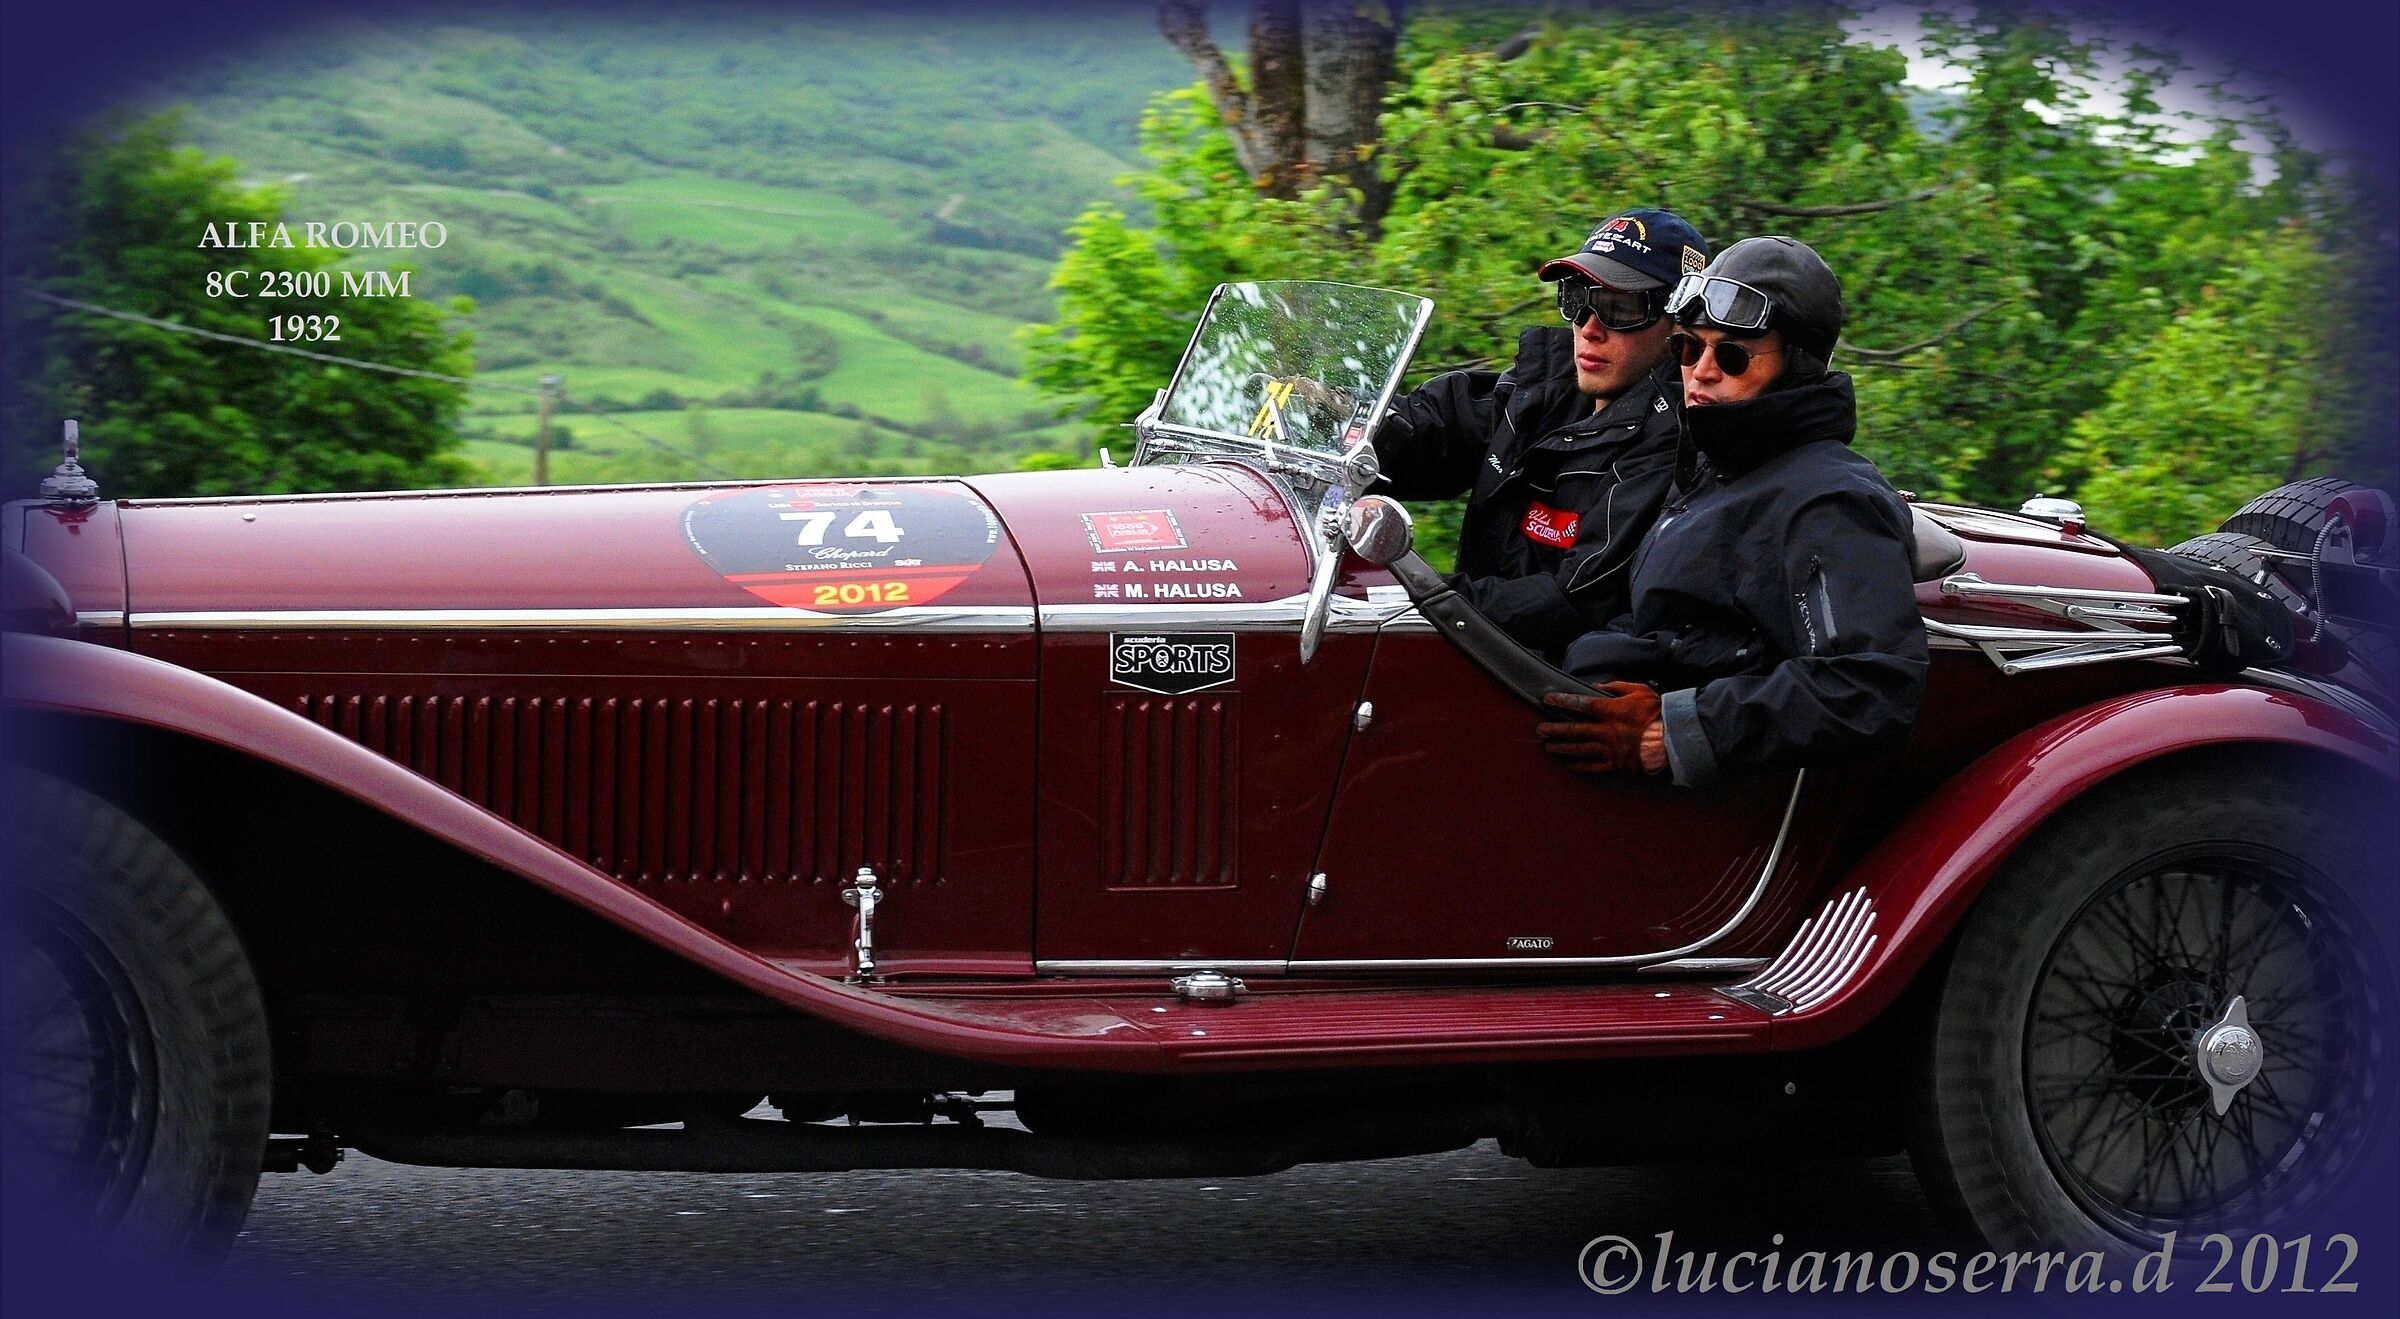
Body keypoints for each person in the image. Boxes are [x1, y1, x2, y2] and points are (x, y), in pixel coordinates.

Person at [1532, 236, 1928, 786]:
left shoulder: (1827, 498)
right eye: (1689, 349)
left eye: (1733, 355)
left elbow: (1868, 687)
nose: (1702, 371)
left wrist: (1669, 734)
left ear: (1797, 366)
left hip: (1703, 807)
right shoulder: (1718, 468)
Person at [1372, 208, 1710, 653]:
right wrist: (1333, 419)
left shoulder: (1678, 445)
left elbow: (1571, 600)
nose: (1589, 328)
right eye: (1577, 298)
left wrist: (1407, 595)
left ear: (1678, 323)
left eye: (1619, 308)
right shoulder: (1544, 387)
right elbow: (1427, 431)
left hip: (1547, 687)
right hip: (1468, 651)